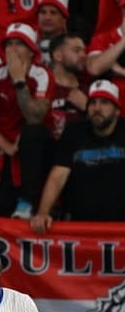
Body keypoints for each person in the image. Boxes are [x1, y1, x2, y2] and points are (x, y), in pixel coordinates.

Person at [0, 23, 53, 218]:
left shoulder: (42, 75)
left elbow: (34, 117)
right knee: (0, 210)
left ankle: (27, 202)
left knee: (31, 132)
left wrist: (19, 81)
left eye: (20, 44)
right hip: (5, 150)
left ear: (32, 51)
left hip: (37, 152)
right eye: (9, 44)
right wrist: (6, 146)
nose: (12, 49)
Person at [30, 80, 125, 231]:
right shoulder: (74, 133)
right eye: (92, 103)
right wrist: (43, 212)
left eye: (105, 103)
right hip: (79, 226)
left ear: (117, 111)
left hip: (120, 226)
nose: (97, 108)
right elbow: (58, 175)